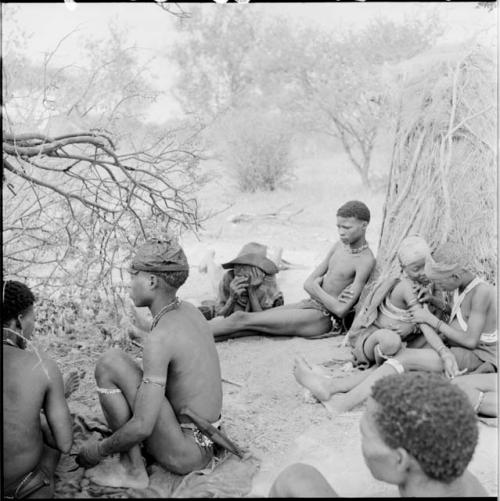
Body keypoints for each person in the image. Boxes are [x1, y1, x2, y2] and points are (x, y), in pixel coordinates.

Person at [76, 237, 224, 489]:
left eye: (134, 275)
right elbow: (173, 346)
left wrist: (98, 450)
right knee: (124, 363)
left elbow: (143, 427)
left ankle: (132, 470)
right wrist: (138, 329)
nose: (129, 282)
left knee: (109, 363)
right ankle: (135, 463)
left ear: (152, 281)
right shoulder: (189, 311)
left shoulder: (160, 340)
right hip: (210, 439)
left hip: (186, 453)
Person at [294, 247, 497, 414]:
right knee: (395, 363)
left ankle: (341, 403)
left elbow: (471, 340)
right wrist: (435, 301)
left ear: (455, 275)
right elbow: (462, 316)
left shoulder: (483, 293)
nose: (439, 287)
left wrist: (431, 320)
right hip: (459, 348)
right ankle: (331, 387)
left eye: (441, 282)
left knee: (404, 359)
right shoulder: (461, 286)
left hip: (479, 356)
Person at [270, 372, 488, 497]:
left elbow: (294, 479)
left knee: (296, 477)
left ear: (399, 459)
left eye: (365, 435)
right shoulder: (456, 474)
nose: (362, 444)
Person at [294, 235, 454, 402]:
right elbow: (423, 322)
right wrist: (444, 353)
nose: (422, 273)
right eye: (416, 269)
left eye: (425, 266)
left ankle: (331, 385)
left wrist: (432, 302)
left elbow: (445, 312)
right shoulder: (406, 286)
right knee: (391, 340)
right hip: (374, 341)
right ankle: (336, 383)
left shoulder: (430, 287)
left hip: (403, 344)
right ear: (403, 268)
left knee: (411, 353)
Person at [208, 201, 376, 341]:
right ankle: (207, 335)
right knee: (253, 326)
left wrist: (317, 288)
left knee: (242, 319)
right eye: (339, 226)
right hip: (309, 304)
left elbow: (340, 309)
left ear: (364, 225)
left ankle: (195, 331)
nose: (341, 232)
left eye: (347, 227)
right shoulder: (339, 246)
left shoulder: (365, 260)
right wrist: (317, 289)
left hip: (324, 318)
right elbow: (307, 283)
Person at [3, 280, 75, 499]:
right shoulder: (41, 366)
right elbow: (64, 443)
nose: (33, 325)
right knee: (49, 439)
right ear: (19, 321)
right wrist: (58, 397)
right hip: (21, 487)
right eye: (32, 317)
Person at [215, 242, 284, 317]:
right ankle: (209, 257)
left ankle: (278, 251)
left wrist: (252, 292)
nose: (240, 271)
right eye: (238, 265)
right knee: (214, 282)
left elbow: (264, 322)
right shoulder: (229, 278)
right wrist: (232, 299)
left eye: (246, 267)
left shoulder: (268, 283)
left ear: (259, 271)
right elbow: (219, 317)